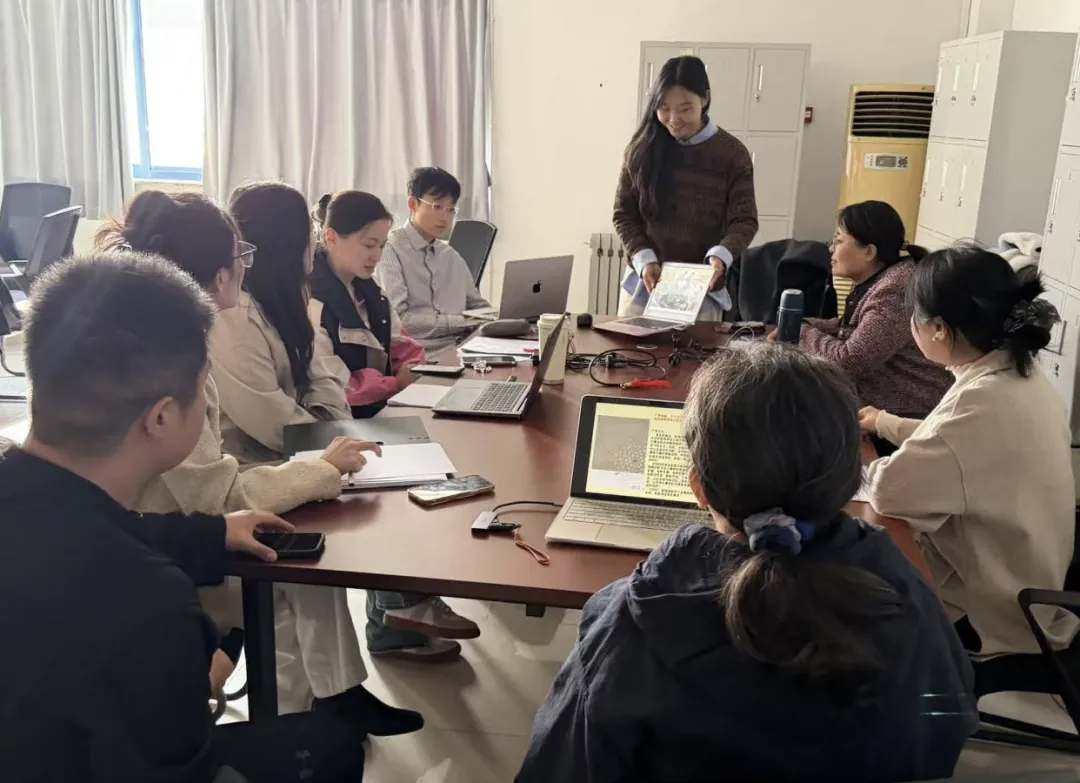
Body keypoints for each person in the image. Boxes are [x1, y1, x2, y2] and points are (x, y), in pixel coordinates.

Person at [516, 341, 976, 783]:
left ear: (699, 489)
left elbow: (563, 768)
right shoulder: (907, 594)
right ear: (851, 476)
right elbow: (945, 727)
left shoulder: (633, 623)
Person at [0, 252, 367, 782]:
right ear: (163, 416)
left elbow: (92, 530)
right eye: (204, 389)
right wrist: (200, 677)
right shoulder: (149, 603)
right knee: (333, 747)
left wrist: (213, 532)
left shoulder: (34, 497)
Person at [97, 189, 423, 732]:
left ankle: (324, 709)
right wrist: (321, 467)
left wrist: (324, 446)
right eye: (239, 254)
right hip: (163, 549)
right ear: (219, 275)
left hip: (156, 526)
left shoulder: (153, 336)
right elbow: (221, 498)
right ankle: (305, 724)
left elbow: (322, 376)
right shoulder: (178, 362)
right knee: (293, 553)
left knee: (302, 545)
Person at [213, 182, 479, 662]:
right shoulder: (234, 318)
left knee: (406, 462)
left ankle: (390, 623)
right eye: (308, 238)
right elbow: (267, 415)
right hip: (260, 460)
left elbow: (322, 376)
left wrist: (338, 431)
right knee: (371, 486)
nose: (312, 248)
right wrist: (330, 445)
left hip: (306, 439)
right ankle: (393, 616)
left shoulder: (291, 297)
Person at [864, 244, 1077, 687]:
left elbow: (888, 490)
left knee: (861, 558)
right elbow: (956, 444)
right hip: (1033, 578)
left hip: (997, 615)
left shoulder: (980, 401)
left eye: (915, 318)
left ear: (939, 329)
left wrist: (864, 450)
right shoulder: (1016, 375)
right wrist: (884, 422)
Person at [773, 201, 953, 447]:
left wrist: (801, 331)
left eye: (839, 241)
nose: (831, 249)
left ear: (869, 252)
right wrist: (805, 324)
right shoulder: (887, 278)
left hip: (904, 422)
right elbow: (853, 328)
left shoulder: (895, 290)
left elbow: (849, 361)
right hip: (883, 411)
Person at [614, 54, 758, 319]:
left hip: (701, 288)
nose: (673, 119)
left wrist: (721, 257)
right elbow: (624, 215)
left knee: (697, 348)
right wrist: (645, 260)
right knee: (630, 346)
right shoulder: (641, 150)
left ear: (705, 99)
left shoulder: (732, 154)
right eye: (664, 108)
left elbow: (744, 220)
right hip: (646, 284)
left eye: (685, 108)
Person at [310, 189, 428, 418]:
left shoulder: (370, 290)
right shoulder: (313, 301)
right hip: (339, 421)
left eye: (382, 246)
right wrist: (395, 384)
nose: (377, 256)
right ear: (331, 238)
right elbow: (334, 385)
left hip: (381, 410)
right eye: (368, 245)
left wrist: (412, 367)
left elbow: (403, 344)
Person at [376, 167, 490, 354]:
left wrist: (502, 319)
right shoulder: (389, 250)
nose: (445, 217)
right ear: (413, 204)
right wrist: (462, 322)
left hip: (465, 350)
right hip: (421, 357)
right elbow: (400, 321)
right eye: (437, 206)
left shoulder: (451, 256)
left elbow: (479, 307)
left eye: (451, 209)